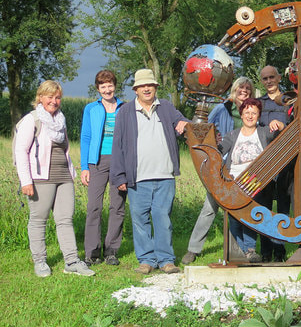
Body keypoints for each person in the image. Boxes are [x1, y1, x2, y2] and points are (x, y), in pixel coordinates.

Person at [110, 68, 189, 274]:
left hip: (164, 175)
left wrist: (183, 122)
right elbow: (117, 145)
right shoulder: (125, 112)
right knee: (140, 219)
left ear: (155, 87)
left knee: (162, 217)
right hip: (138, 177)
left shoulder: (167, 107)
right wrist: (119, 175)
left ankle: (166, 260)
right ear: (136, 89)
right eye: (142, 86)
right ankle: (146, 260)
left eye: (150, 85)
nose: (147, 88)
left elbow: (184, 123)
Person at [14, 80, 95, 277]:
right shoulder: (31, 120)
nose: (54, 101)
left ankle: (72, 261)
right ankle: (40, 261)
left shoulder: (61, 120)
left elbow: (65, 149)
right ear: (40, 97)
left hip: (64, 177)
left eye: (57, 97)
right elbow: (20, 151)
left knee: (65, 219)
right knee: (38, 220)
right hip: (40, 178)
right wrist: (26, 181)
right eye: (50, 96)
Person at [182, 77, 254, 265]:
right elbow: (204, 129)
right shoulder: (222, 109)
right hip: (220, 167)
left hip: (245, 170)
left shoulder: (252, 110)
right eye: (241, 87)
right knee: (209, 207)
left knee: (242, 208)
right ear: (234, 90)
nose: (244, 91)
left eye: (248, 88)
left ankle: (243, 249)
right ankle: (193, 249)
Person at [218, 98, 285, 261]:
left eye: (254, 113)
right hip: (235, 181)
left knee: (251, 214)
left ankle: (249, 249)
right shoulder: (233, 135)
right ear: (241, 115)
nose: (250, 116)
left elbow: (283, 133)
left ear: (259, 115)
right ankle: (240, 251)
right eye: (246, 112)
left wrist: (279, 124)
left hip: (257, 183)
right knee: (235, 217)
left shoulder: (263, 132)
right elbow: (219, 150)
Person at [80, 70, 127, 267]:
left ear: (115, 86)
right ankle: (92, 252)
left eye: (110, 85)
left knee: (117, 207)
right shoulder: (91, 108)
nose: (107, 89)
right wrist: (84, 166)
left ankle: (111, 251)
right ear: (98, 88)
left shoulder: (125, 108)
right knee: (94, 207)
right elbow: (86, 137)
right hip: (96, 163)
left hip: (120, 162)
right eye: (103, 86)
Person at [257, 65, 289, 261]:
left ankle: (280, 252)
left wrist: (283, 126)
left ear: (278, 78)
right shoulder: (258, 104)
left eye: (271, 77)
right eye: (265, 78)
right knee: (264, 208)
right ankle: (265, 252)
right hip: (265, 161)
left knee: (283, 209)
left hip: (285, 160)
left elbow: (297, 122)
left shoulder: (288, 100)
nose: (269, 81)